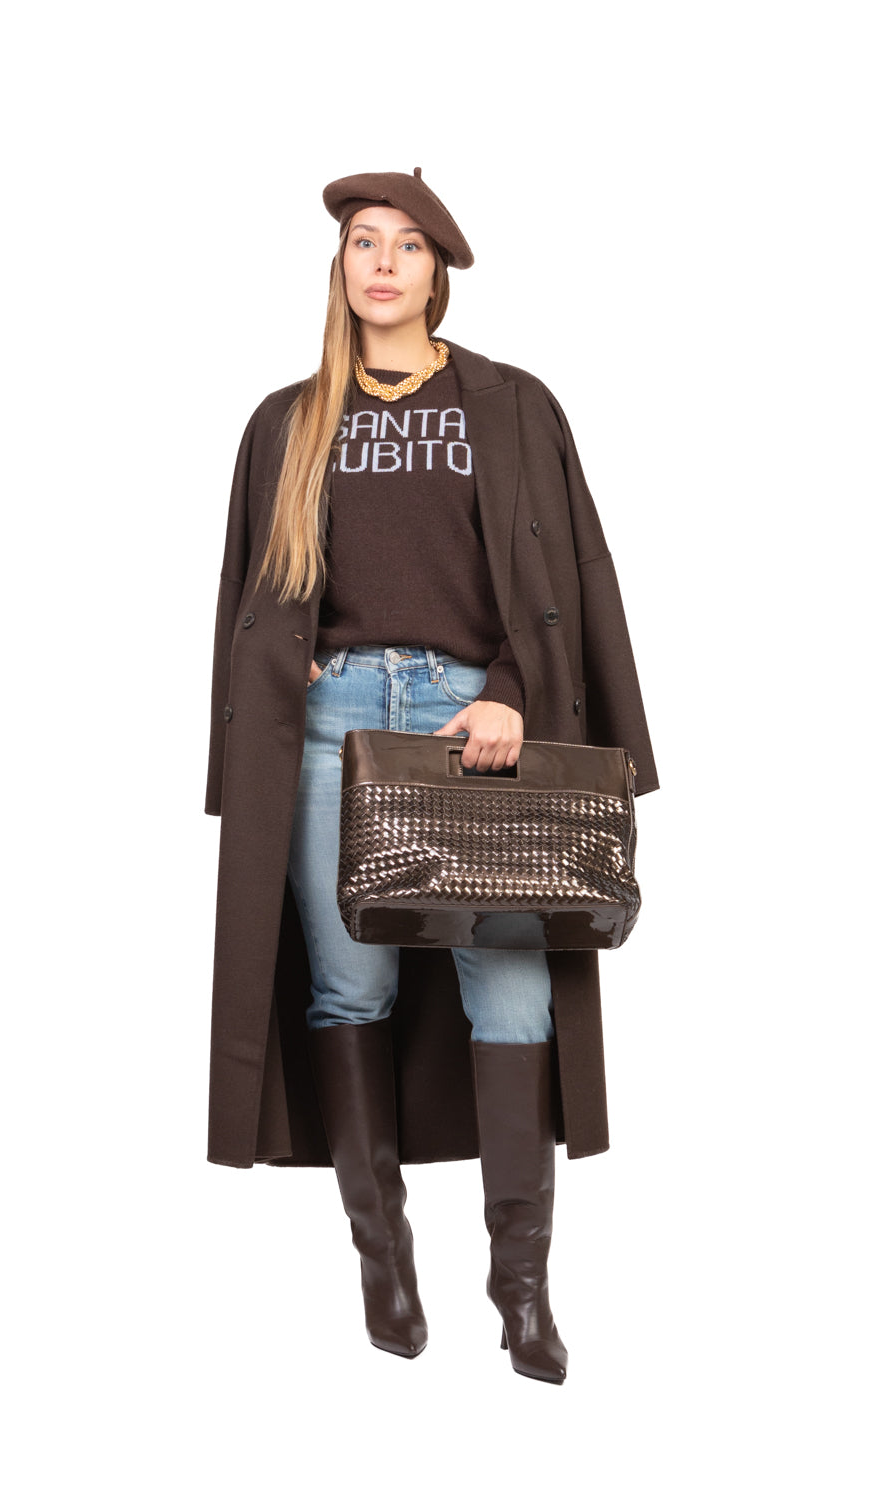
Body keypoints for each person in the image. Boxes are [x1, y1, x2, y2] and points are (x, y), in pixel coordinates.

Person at [203, 168, 660, 1385]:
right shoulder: (288, 420)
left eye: (407, 245)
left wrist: (510, 688)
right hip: (334, 730)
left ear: (438, 271)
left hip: (477, 729)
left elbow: (561, 579)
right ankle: (382, 1256)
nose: (384, 263)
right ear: (341, 264)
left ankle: (522, 1289)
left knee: (511, 1000)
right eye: (365, 242)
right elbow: (251, 592)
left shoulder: (508, 405)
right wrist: (290, 664)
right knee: (346, 990)